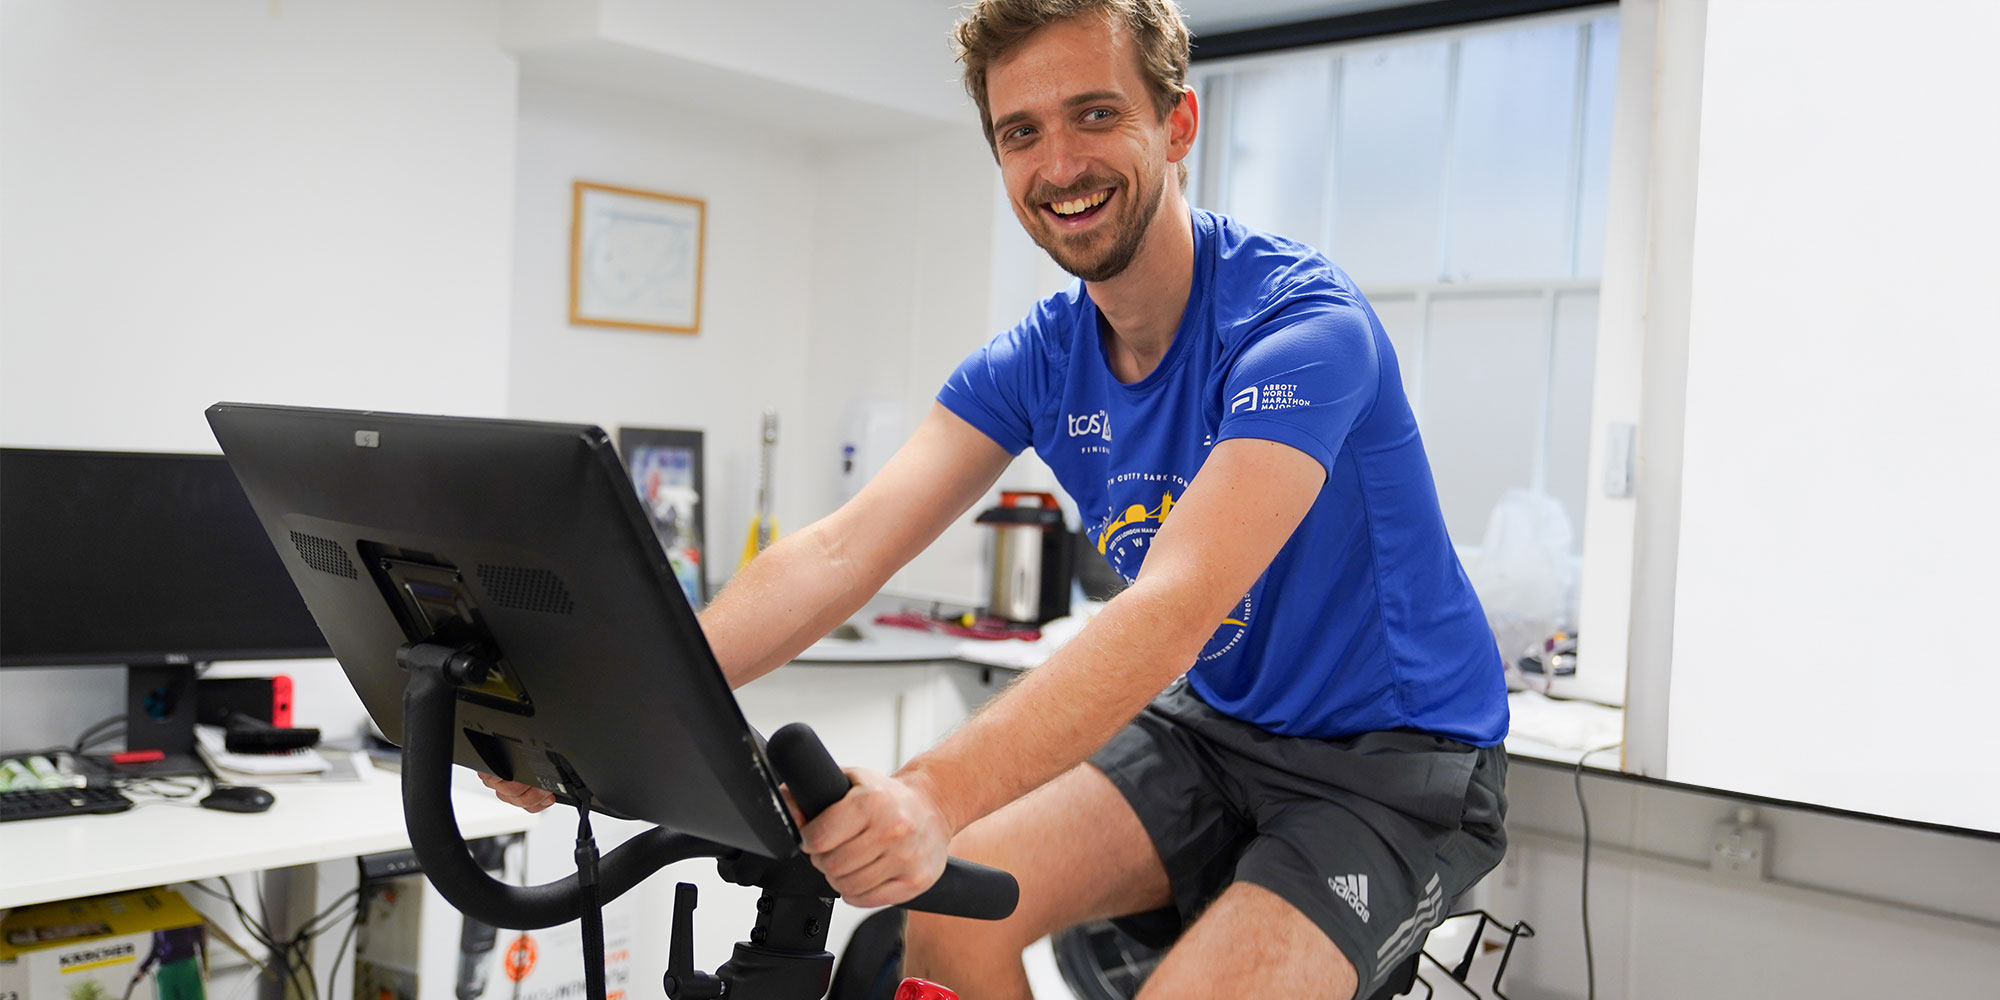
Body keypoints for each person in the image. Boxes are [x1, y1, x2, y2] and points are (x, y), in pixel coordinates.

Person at [486, 1, 1509, 997]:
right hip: (1214, 727)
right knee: (943, 910)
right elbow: (842, 551)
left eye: (1094, 114)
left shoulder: (1300, 327)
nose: (1058, 166)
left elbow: (1171, 608)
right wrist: (604, 710)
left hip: (1388, 760)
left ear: (1177, 124)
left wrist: (931, 791)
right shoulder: (1039, 358)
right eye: (1021, 132)